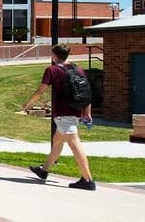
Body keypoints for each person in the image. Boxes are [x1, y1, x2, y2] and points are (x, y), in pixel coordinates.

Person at [20, 44, 96, 190]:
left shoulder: (52, 70)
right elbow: (86, 92)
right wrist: (87, 112)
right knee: (57, 142)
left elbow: (40, 91)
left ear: (54, 56)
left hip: (63, 114)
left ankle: (88, 180)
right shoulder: (77, 69)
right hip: (75, 111)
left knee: (75, 143)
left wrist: (27, 105)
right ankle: (44, 171)